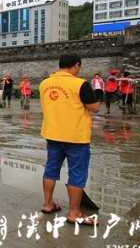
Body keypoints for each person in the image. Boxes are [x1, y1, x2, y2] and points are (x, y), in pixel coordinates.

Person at [39, 54, 100, 225]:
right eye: (79, 67)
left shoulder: (44, 84)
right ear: (76, 65)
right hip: (76, 137)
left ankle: (47, 204)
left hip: (52, 135)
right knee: (77, 174)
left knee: (51, 169)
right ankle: (74, 213)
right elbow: (94, 108)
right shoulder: (80, 84)